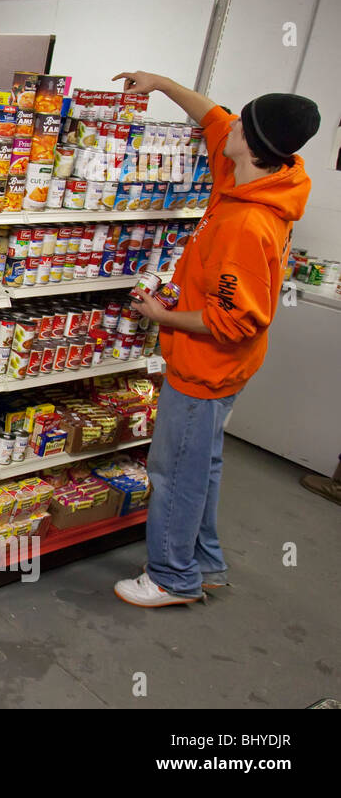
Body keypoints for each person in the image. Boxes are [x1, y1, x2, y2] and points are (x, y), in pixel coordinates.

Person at [108, 72, 320, 607]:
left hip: (207, 369)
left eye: (240, 122)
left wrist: (163, 314)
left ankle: (171, 578)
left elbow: (235, 321)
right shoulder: (257, 174)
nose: (227, 126)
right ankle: (204, 563)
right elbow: (212, 115)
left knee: (173, 470)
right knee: (202, 463)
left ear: (250, 141)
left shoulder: (248, 223)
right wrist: (158, 82)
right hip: (225, 370)